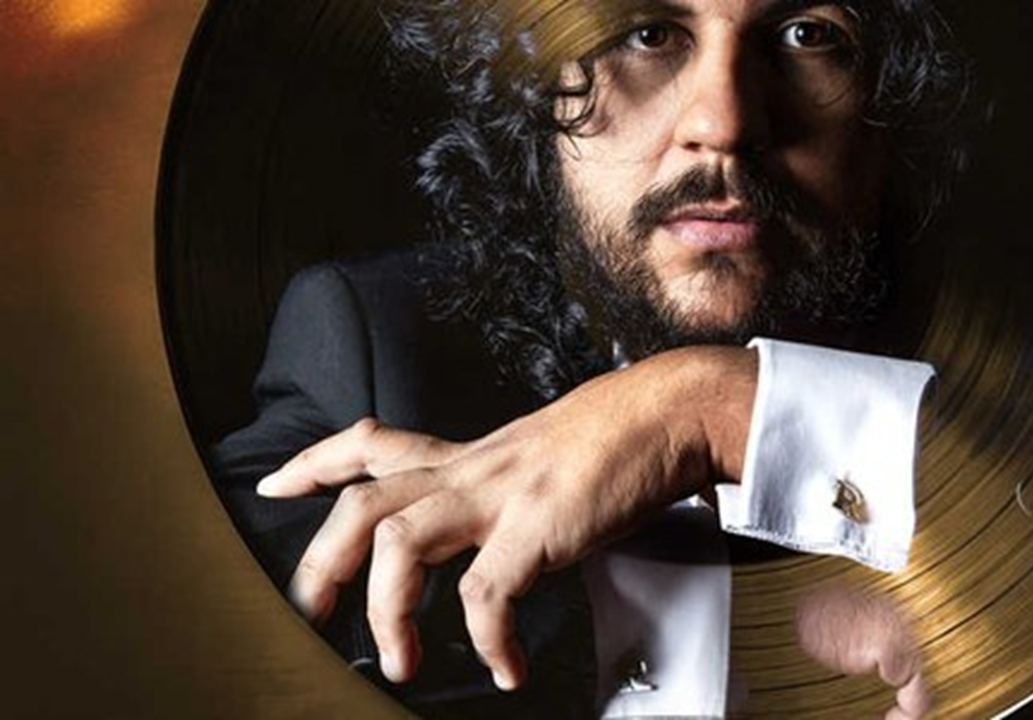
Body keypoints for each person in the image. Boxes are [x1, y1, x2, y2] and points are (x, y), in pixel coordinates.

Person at [212, 0, 968, 716]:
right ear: (530, 78)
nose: (724, 124)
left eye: (808, 33)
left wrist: (713, 410)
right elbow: (172, 618)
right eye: (648, 34)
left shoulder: (1023, 382)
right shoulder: (376, 342)